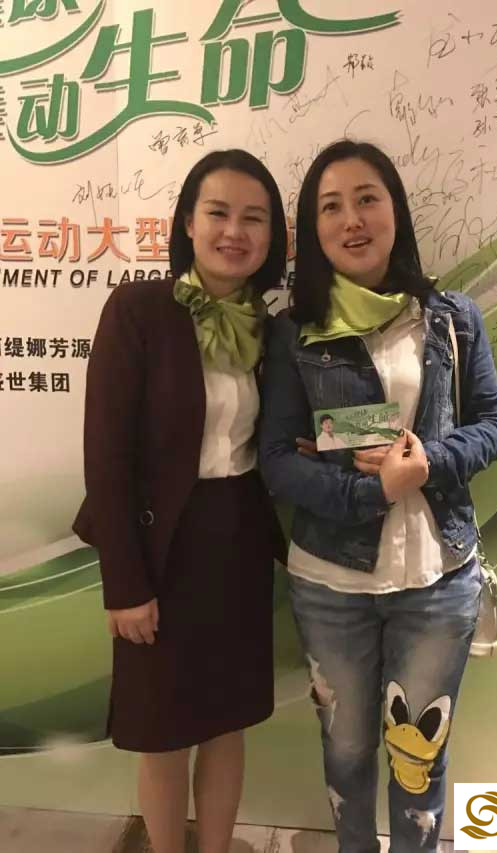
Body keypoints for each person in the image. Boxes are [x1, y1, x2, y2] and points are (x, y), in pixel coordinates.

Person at [259, 140, 497, 853]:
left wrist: (431, 462)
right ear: (312, 229)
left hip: (439, 579)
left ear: (395, 209)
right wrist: (372, 492)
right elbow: (277, 462)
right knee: (345, 752)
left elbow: (494, 421)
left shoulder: (452, 318)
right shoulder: (294, 332)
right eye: (331, 206)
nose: (352, 219)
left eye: (367, 198)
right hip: (330, 585)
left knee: (417, 757)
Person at [73, 149, 287, 853]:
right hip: (160, 548)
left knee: (225, 722)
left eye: (254, 218)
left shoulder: (272, 328)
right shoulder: (138, 310)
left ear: (272, 236)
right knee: (162, 731)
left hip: (238, 544)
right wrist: (125, 585)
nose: (235, 231)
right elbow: (106, 457)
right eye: (218, 212)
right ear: (188, 223)